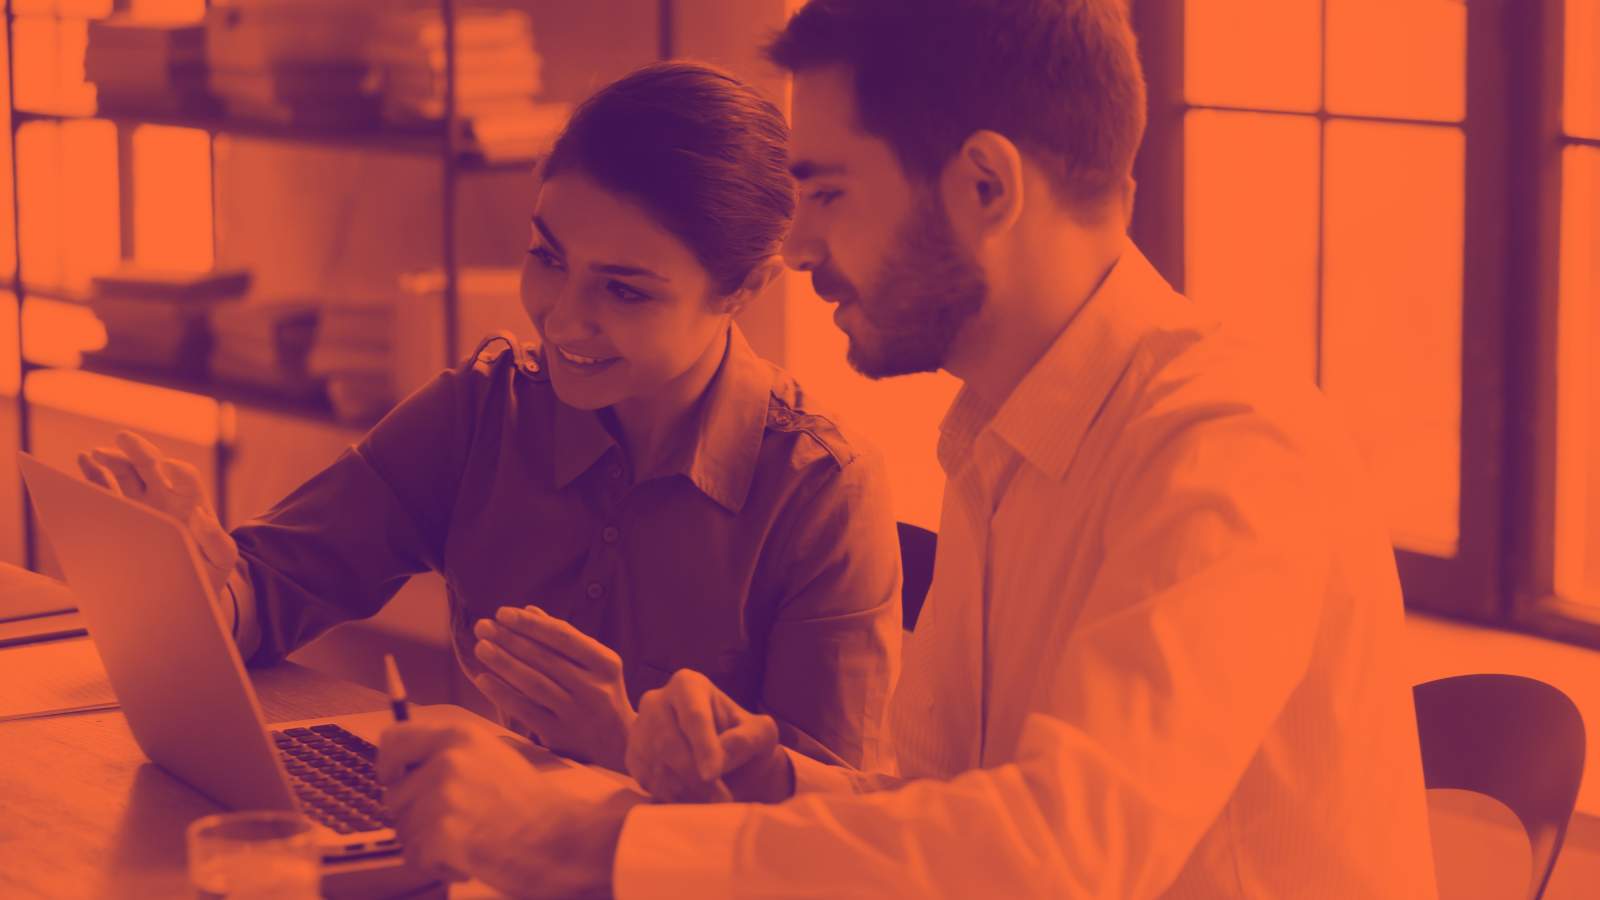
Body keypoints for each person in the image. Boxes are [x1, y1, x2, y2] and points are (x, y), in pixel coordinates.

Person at [375, 1, 1440, 897]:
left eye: (827, 192)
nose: (792, 248)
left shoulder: (1225, 450)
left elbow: (1056, 855)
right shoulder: (999, 437)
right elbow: (950, 819)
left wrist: (576, 838)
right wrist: (775, 787)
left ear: (986, 187)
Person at [78, 61, 902, 777]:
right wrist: (196, 577)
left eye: (624, 289)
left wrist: (626, 748)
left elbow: (830, 842)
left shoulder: (822, 496)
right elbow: (279, 584)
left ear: (744, 289)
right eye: (548, 257)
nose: (562, 318)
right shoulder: (486, 408)